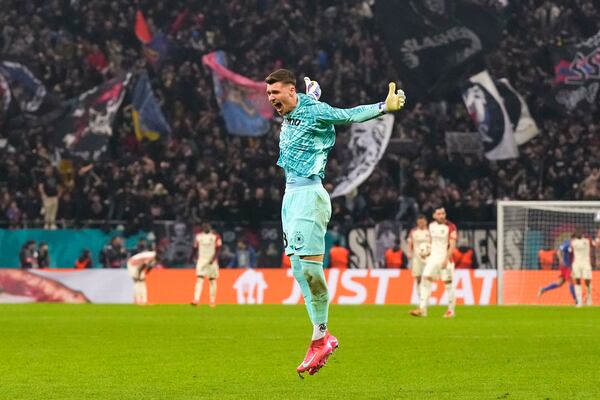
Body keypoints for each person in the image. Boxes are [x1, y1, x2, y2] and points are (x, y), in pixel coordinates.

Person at [265, 69, 405, 376]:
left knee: (312, 272)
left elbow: (348, 116)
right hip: (290, 198)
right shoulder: (295, 106)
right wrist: (312, 92)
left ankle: (321, 338)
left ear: (290, 91)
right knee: (299, 271)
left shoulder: (314, 110)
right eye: (269, 94)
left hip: (310, 197)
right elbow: (305, 102)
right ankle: (320, 336)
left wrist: (383, 107)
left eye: (276, 93)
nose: (272, 99)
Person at [411, 206, 457, 318]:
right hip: (433, 259)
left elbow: (452, 245)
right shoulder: (431, 226)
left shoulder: (451, 227)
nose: (442, 216)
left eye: (443, 213)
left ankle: (451, 311)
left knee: (448, 285)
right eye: (439, 214)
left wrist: (446, 259)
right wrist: (427, 251)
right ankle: (422, 309)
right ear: (434, 215)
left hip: (446, 259)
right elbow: (431, 242)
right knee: (425, 279)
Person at [538, 234, 577, 304]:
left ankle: (543, 289)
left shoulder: (574, 246)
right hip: (565, 266)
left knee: (560, 283)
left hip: (568, 266)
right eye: (575, 239)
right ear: (573, 239)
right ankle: (576, 300)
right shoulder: (567, 244)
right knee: (571, 282)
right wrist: (561, 260)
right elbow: (559, 251)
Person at [191, 223, 222, 307]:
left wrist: (214, 258)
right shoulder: (199, 237)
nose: (206, 228)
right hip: (202, 260)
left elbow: (219, 249)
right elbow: (195, 248)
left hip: (211, 261)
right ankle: (196, 299)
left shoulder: (215, 237)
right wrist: (192, 257)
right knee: (200, 280)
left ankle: (212, 301)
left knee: (212, 280)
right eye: (205, 227)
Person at [407, 215, 430, 297]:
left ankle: (426, 293)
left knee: (426, 276)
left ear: (426, 222)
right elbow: (410, 243)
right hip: (417, 258)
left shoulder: (429, 232)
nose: (421, 224)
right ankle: (419, 294)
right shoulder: (413, 232)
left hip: (427, 258)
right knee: (418, 277)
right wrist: (409, 252)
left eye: (422, 222)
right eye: (419, 222)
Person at [570, 229, 593, 306]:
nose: (579, 234)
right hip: (576, 263)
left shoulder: (587, 241)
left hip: (586, 263)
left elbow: (594, 244)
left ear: (583, 234)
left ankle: (589, 298)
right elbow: (570, 252)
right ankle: (579, 301)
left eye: (580, 232)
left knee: (587, 281)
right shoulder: (573, 243)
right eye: (577, 233)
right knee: (577, 281)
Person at [38, 165, 62, 229]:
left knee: (54, 211)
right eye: (47, 169)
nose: (49, 171)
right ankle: (46, 224)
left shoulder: (56, 177)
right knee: (47, 211)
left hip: (54, 197)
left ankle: (52, 224)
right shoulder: (43, 177)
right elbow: (40, 186)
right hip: (47, 197)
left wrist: (59, 195)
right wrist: (43, 194)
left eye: (50, 169)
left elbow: (59, 186)